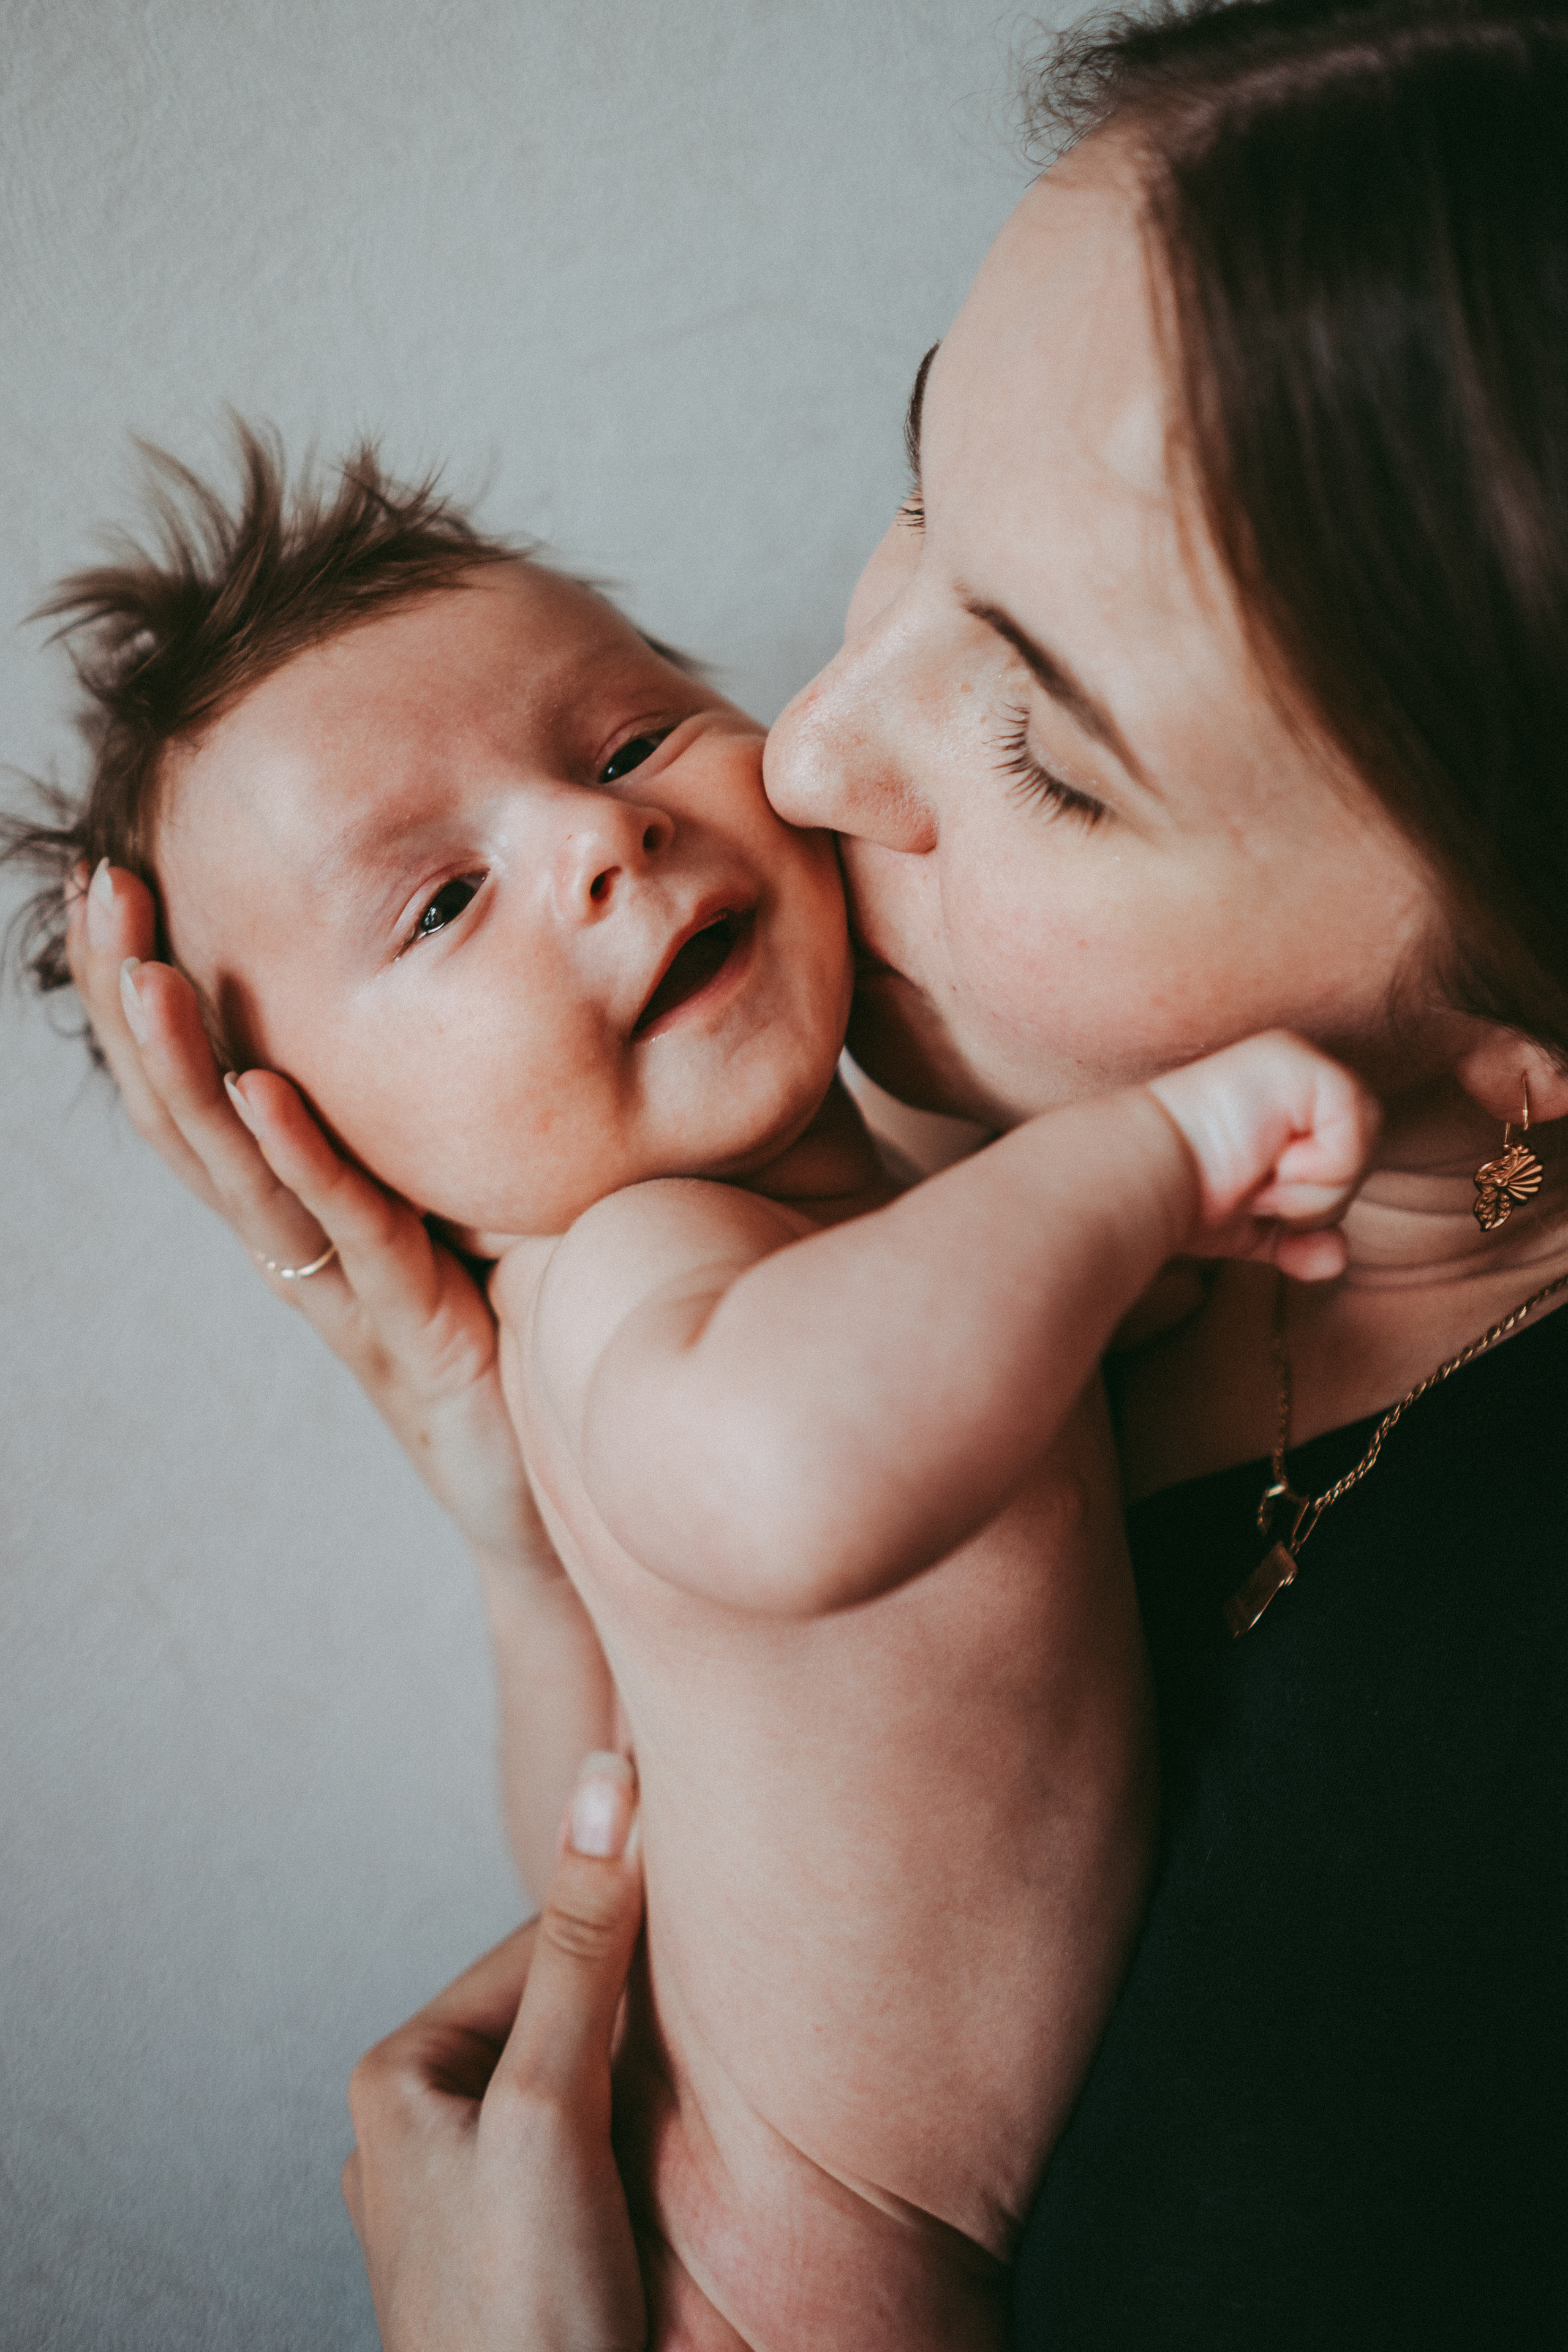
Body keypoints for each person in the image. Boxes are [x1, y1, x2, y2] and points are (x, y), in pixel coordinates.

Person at [23, 0, 1568, 2341]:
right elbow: (629, 1832)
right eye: (921, 485)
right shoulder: (775, 1258)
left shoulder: (1464, 1794)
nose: (808, 749)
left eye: (1046, 745)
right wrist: (518, 1526)